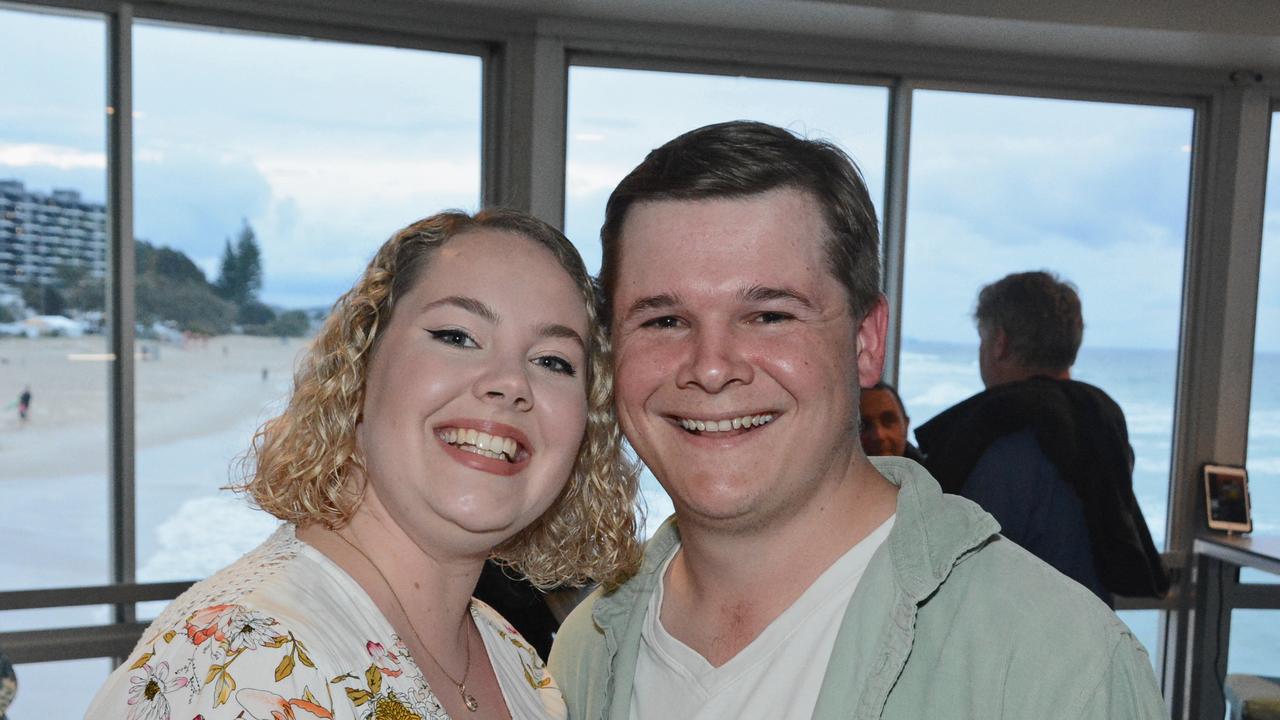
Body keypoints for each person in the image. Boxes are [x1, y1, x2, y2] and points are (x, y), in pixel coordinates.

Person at [548, 121, 1166, 719]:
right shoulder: (585, 651)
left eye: (770, 315)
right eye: (663, 320)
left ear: (867, 341)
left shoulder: (1056, 668)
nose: (711, 369)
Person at [86, 209, 641, 720]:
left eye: (553, 361)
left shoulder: (509, 654)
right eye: (457, 336)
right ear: (360, 367)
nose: (510, 384)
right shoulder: (241, 663)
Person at [915, 271, 1168, 606]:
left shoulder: (1006, 439)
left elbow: (968, 568)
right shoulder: (1100, 423)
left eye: (983, 339)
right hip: (1092, 630)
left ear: (1000, 344)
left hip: (1019, 641)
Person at [859, 381, 926, 463]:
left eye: (888, 421)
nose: (879, 435)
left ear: (906, 425)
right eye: (863, 425)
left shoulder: (935, 473)